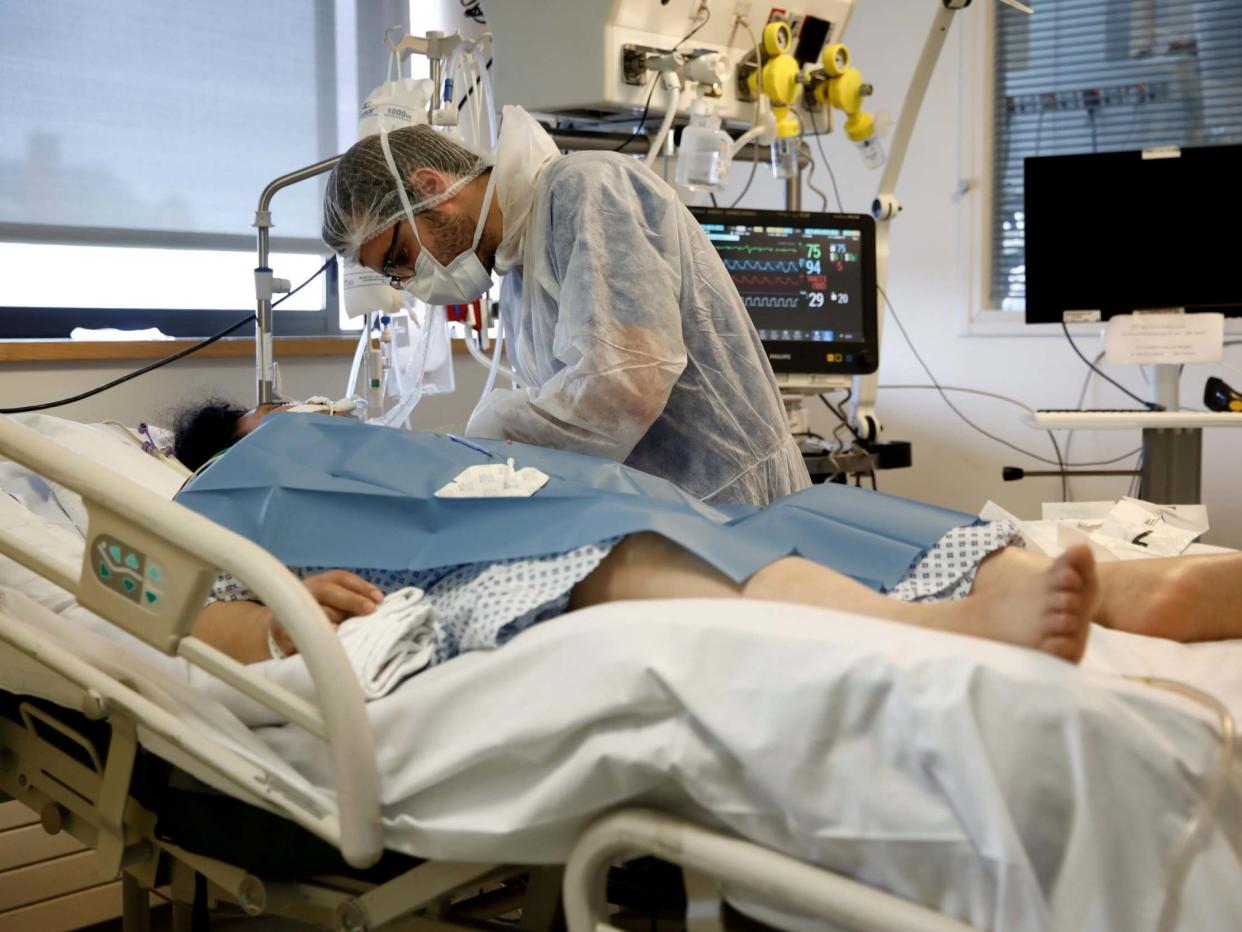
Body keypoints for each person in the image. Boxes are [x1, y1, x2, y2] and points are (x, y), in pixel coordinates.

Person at [174, 403, 1242, 674]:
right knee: (631, 548)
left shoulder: (400, 447)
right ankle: (961, 622)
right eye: (289, 428)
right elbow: (173, 620)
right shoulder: (215, 501)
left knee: (809, 510)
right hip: (483, 571)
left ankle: (1119, 588)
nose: (328, 431)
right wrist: (276, 616)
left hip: (565, 501)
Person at [320, 107, 811, 507]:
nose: (409, 282)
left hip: (736, 508)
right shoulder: (516, 265)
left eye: (400, 257)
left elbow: (628, 383)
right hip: (673, 512)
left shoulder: (587, 190)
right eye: (393, 276)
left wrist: (494, 431)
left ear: (430, 187)